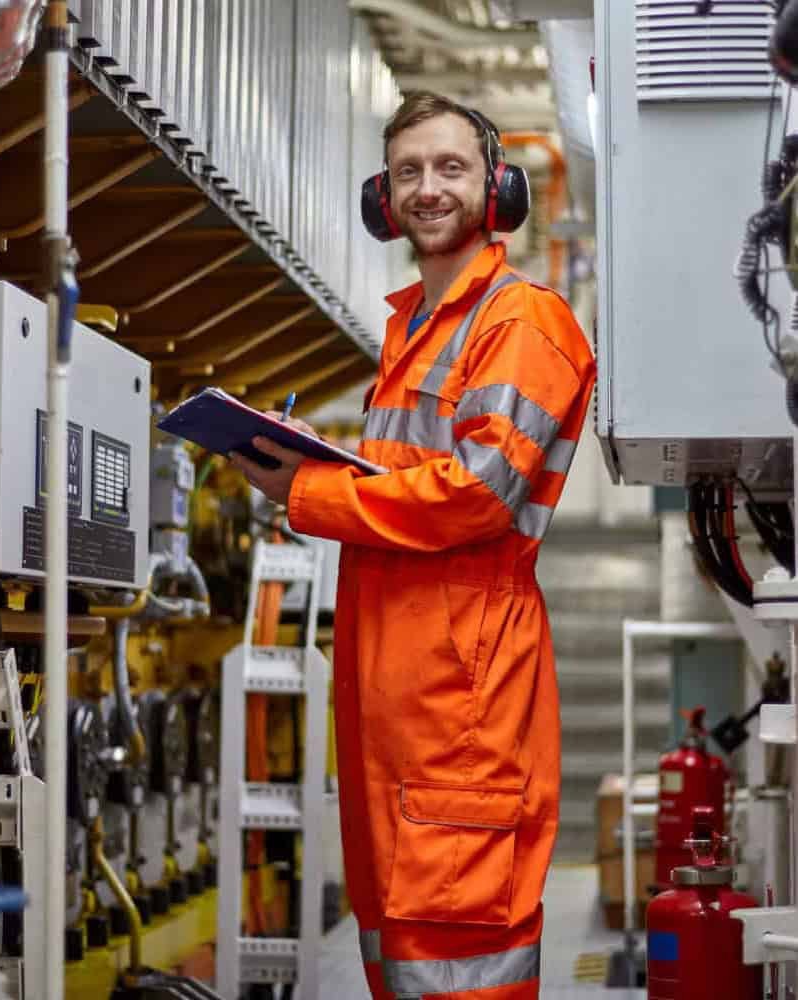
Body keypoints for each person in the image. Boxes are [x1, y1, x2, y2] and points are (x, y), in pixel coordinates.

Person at [230, 92, 595, 1000]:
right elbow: (396, 484)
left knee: (459, 956)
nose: (428, 189)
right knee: (399, 950)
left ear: (498, 188)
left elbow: (475, 493)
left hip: (461, 705)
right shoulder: (412, 330)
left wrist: (308, 490)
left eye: (451, 168)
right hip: (390, 693)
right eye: (407, 173)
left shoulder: (521, 322)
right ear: (381, 198)